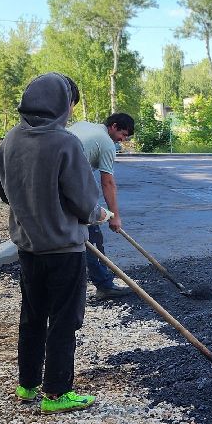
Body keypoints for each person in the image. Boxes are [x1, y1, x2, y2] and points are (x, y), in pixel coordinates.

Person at [0, 72, 104, 414]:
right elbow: (85, 203)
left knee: (32, 314)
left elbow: (2, 189)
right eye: (70, 104)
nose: (70, 111)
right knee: (64, 320)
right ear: (61, 104)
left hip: (28, 247)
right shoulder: (64, 143)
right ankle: (57, 393)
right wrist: (100, 215)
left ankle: (27, 385)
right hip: (64, 251)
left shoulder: (9, 140)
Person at [68, 111, 136, 303]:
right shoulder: (106, 143)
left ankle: (75, 284)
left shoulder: (83, 125)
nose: (122, 140)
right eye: (123, 134)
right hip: (70, 187)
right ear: (113, 126)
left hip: (56, 182)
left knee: (73, 235)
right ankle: (105, 286)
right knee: (92, 233)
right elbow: (107, 183)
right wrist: (114, 216)